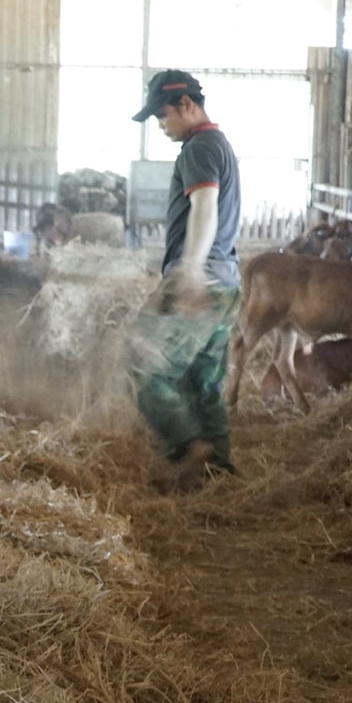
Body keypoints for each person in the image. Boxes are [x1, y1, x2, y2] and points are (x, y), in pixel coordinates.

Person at [127, 69, 242, 489]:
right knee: (205, 382)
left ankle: (190, 446)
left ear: (187, 105)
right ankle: (218, 475)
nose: (161, 125)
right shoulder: (219, 144)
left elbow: (205, 207)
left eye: (163, 115)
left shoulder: (200, 147)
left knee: (143, 363)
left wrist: (190, 269)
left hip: (203, 279)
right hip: (226, 280)